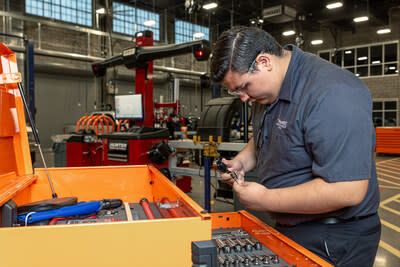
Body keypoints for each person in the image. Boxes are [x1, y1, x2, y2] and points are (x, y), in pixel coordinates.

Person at [211, 26, 381, 267]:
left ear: (264, 62)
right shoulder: (267, 91)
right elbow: (271, 133)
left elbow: (348, 189)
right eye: (235, 90)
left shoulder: (332, 95)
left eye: (243, 87)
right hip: (293, 228)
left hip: (334, 239)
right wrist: (241, 162)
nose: (243, 97)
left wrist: (266, 199)